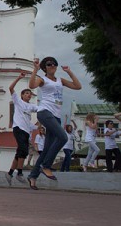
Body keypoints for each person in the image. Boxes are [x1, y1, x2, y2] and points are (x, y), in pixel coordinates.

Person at [27, 57, 81, 190]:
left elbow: (78, 86)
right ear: (45, 67)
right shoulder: (42, 79)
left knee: (47, 149)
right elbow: (31, 85)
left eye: (54, 64)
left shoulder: (60, 80)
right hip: (45, 112)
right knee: (63, 137)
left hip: (56, 116)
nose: (52, 66)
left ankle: (33, 176)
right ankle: (46, 166)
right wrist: (35, 69)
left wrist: (69, 72)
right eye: (49, 64)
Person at [5, 72, 38, 185]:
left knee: (19, 152)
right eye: (27, 93)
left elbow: (41, 109)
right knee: (23, 150)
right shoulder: (18, 102)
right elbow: (10, 88)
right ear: (22, 95)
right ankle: (19, 173)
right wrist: (19, 77)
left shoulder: (31, 106)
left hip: (26, 132)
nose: (29, 95)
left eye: (30, 94)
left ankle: (9, 173)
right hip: (18, 128)